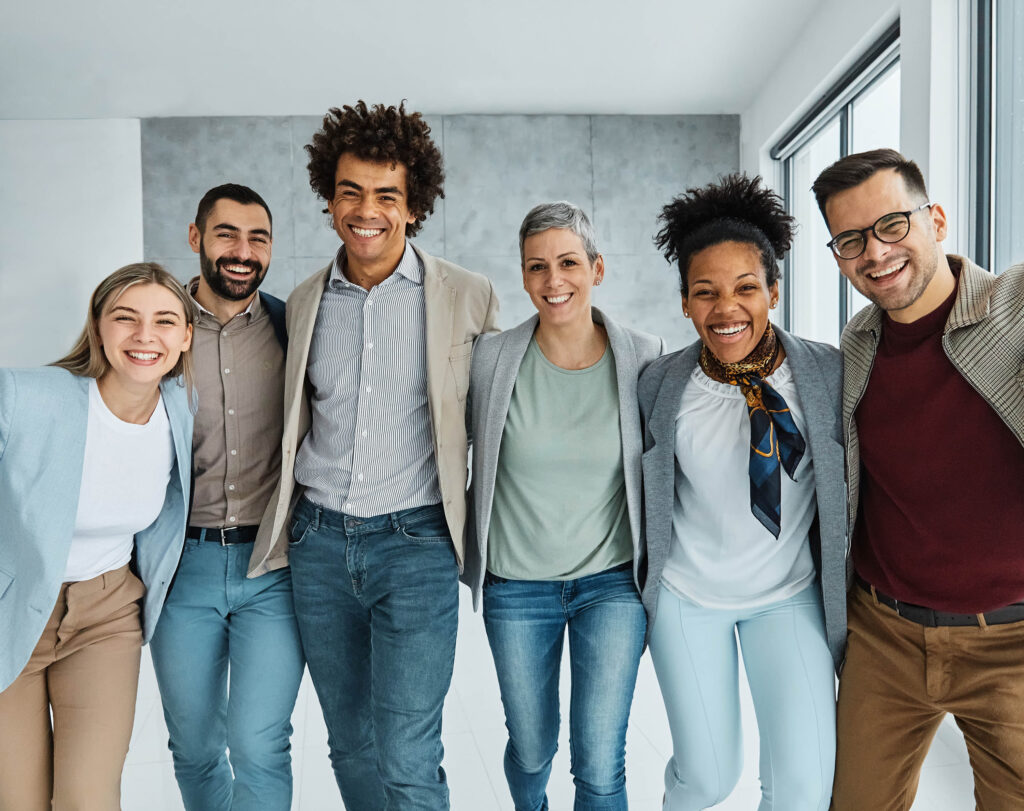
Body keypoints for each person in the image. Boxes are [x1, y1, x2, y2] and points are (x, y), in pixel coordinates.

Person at [249, 101, 499, 810]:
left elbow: (499, 412)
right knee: (349, 743)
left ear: (414, 205)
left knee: (408, 753)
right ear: (328, 200)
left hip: (416, 544)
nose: (367, 210)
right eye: (350, 192)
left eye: (387, 195)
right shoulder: (301, 302)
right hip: (320, 546)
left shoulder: (468, 297)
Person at [812, 148, 1024, 810]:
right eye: (851, 239)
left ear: (935, 219)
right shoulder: (854, 349)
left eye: (891, 225)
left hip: (1011, 643)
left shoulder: (1013, 307)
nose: (874, 252)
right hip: (886, 637)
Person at [638, 174, 847, 811]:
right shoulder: (657, 386)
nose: (727, 309)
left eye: (746, 288)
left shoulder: (828, 374)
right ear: (684, 303)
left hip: (787, 597)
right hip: (689, 597)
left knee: (803, 789)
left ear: (774, 292)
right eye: (706, 293)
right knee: (706, 778)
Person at [464, 201, 663, 810]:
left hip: (611, 585)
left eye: (569, 262)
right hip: (517, 587)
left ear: (597, 268)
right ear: (523, 277)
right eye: (538, 267)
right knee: (531, 748)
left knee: (600, 761)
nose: (555, 281)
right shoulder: (491, 359)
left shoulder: (643, 357)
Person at [0, 262, 194, 809]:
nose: (144, 336)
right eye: (126, 318)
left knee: (88, 798)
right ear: (98, 326)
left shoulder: (181, 408)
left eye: (164, 321)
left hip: (106, 615)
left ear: (185, 337)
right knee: (19, 800)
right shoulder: (25, 396)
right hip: (12, 613)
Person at [148, 184, 303, 811]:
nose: (243, 251)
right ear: (196, 239)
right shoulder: (157, 332)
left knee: (260, 744)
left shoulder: (295, 325)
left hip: (273, 566)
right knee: (194, 747)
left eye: (258, 238)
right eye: (227, 235)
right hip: (181, 568)